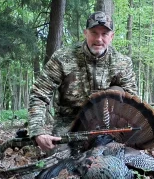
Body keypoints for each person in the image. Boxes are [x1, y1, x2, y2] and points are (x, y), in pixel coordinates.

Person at [28, 11, 137, 151]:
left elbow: (132, 100)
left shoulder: (122, 62)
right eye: (94, 33)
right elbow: (39, 93)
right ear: (85, 33)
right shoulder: (63, 58)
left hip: (108, 124)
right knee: (63, 160)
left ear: (112, 36)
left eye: (104, 34)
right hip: (70, 123)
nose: (99, 39)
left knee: (120, 157)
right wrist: (37, 131)